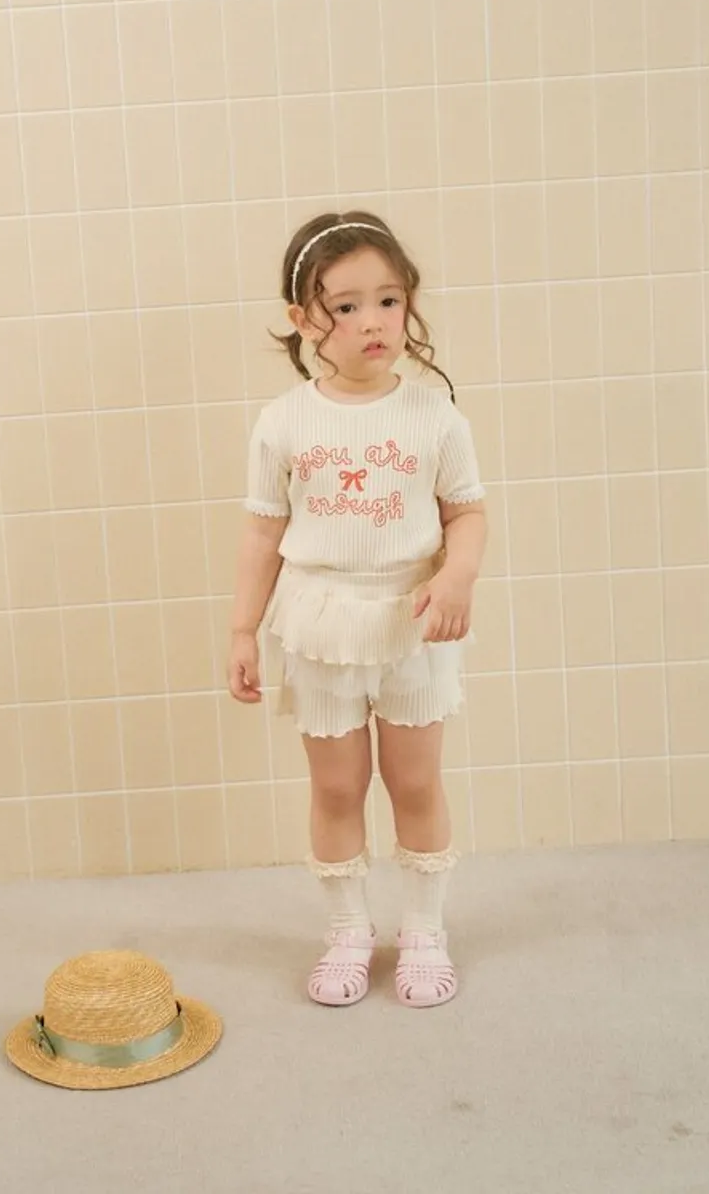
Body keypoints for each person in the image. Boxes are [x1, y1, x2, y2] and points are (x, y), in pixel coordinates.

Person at [227, 212, 487, 1009]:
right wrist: (242, 629)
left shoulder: (435, 418)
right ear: (304, 319)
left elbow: (467, 513)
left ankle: (424, 929)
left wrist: (458, 578)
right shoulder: (285, 421)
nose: (373, 321)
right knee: (338, 788)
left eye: (388, 300)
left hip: (414, 623)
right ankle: (347, 930)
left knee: (415, 782)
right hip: (320, 626)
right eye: (346, 306)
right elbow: (263, 530)